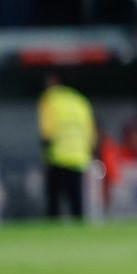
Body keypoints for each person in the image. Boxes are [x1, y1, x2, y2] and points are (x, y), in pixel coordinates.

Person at [38, 74, 96, 220]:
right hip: (78, 157)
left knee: (54, 200)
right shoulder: (80, 101)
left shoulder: (50, 99)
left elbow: (46, 130)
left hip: (57, 156)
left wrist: (45, 152)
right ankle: (79, 232)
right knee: (76, 200)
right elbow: (90, 131)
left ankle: (53, 233)